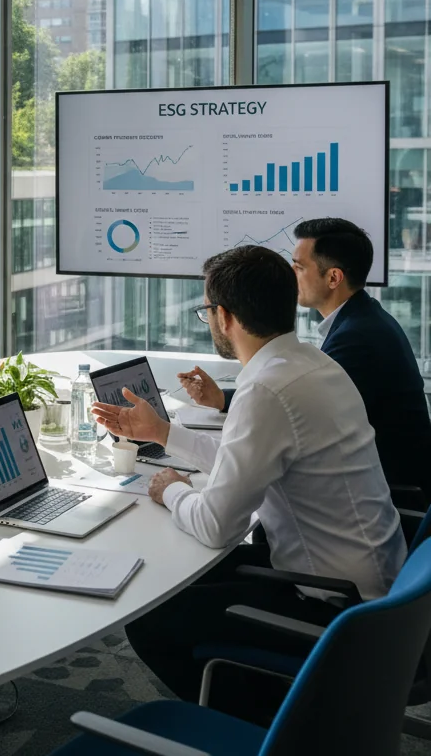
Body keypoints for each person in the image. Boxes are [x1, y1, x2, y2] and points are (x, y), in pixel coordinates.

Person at [92, 245, 405, 722]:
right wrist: (163, 433)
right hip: (374, 586)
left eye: (207, 311)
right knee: (185, 577)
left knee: (151, 615)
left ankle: (265, 729)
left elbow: (217, 525)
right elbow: (249, 460)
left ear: (224, 316)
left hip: (335, 605)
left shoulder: (263, 390)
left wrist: (169, 489)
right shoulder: (311, 364)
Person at [179, 217, 431, 502]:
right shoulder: (363, 319)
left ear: (333, 278)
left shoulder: (356, 338)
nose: (289, 274)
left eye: (299, 266)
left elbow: (297, 403)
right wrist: (222, 399)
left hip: (393, 492)